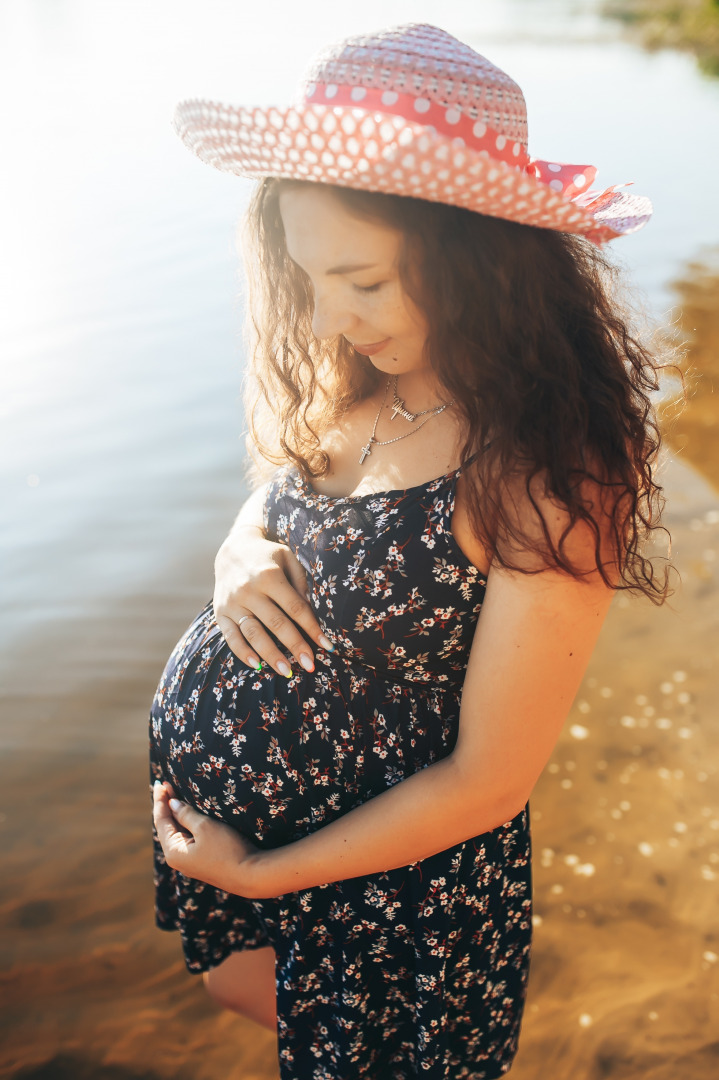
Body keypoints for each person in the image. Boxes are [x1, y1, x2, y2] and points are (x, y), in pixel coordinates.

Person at [150, 23, 668, 1080]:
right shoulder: (369, 383)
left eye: (364, 281)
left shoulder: (545, 468)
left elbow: (487, 780)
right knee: (236, 986)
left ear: (475, 260)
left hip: (395, 892)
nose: (331, 317)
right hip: (279, 858)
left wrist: (266, 876)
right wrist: (238, 551)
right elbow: (286, 495)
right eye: (309, 277)